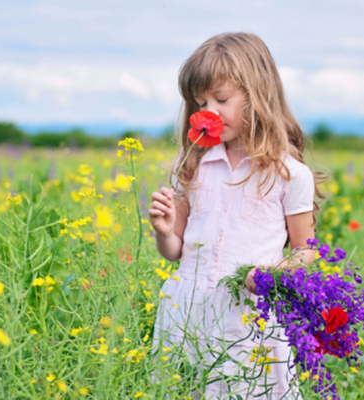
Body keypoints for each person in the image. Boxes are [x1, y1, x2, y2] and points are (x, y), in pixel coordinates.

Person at [149, 32, 326, 399]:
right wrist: (164, 231)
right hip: (187, 309)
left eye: (222, 99)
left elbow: (306, 250)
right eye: (201, 102)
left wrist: (270, 276)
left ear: (258, 95)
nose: (208, 111)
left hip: (247, 315)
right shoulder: (191, 166)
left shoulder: (289, 174)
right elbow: (174, 251)